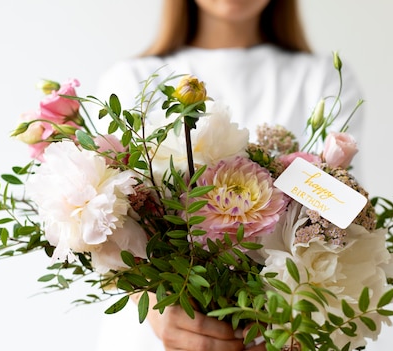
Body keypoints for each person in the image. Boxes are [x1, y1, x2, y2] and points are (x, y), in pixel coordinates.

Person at [95, 0, 364, 350]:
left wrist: (291, 316)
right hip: (157, 336)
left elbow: (348, 220)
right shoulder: (131, 79)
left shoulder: (321, 78)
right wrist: (155, 306)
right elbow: (103, 225)